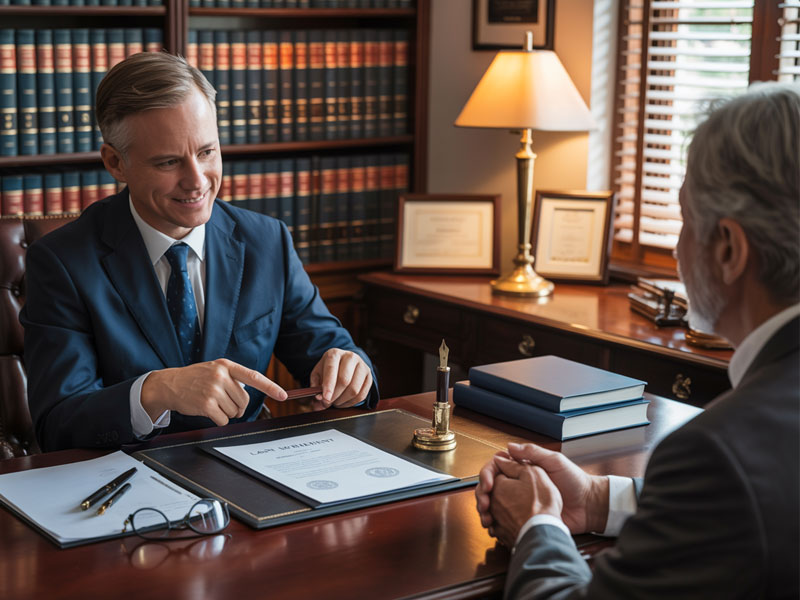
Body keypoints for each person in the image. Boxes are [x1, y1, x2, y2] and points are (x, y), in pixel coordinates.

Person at [475, 82, 800, 599]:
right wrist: (599, 499)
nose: (676, 247)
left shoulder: (715, 450)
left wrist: (539, 525)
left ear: (729, 249)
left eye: (686, 220)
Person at [21, 52, 378, 452]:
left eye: (207, 152)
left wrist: (351, 372)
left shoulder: (266, 240)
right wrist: (154, 391)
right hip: (126, 486)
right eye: (169, 161)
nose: (197, 181)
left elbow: (331, 351)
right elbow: (58, 425)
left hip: (251, 475)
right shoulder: (62, 262)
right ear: (116, 163)